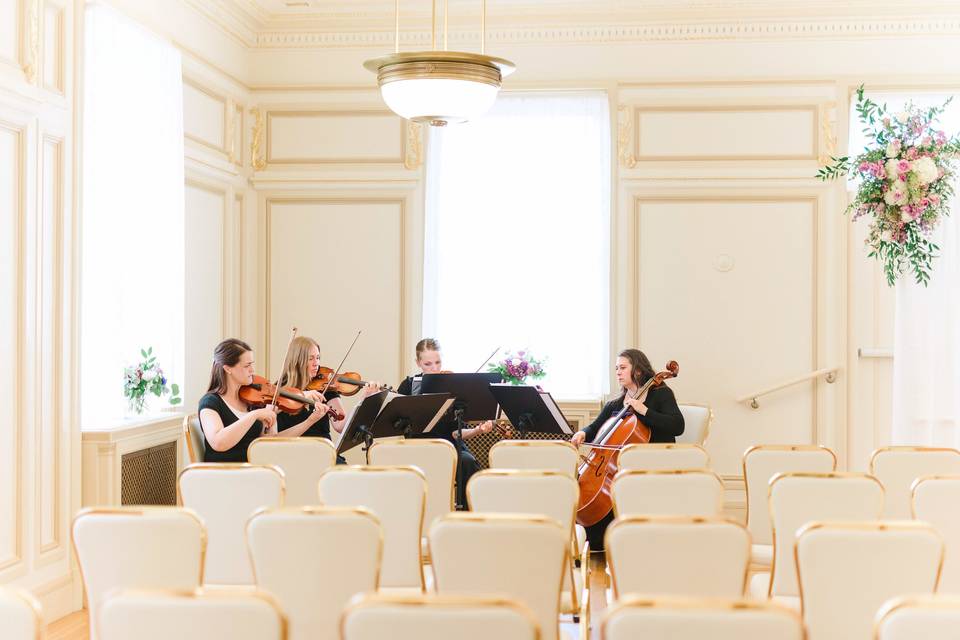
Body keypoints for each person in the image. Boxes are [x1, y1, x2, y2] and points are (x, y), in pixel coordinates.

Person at [571, 348, 684, 550]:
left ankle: (626, 541)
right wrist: (583, 433)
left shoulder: (661, 394)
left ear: (638, 370)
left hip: (652, 463)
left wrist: (644, 410)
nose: (618, 372)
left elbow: (678, 426)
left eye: (623, 367)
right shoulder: (617, 402)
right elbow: (595, 426)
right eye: (616, 368)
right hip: (620, 467)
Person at [397, 338, 496, 507]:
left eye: (438, 362)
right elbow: (398, 422)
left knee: (467, 461)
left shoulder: (452, 385)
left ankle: (469, 513)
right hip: (419, 447)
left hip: (450, 446)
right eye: (428, 364)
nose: (435, 368)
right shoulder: (408, 386)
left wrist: (478, 430)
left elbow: (456, 433)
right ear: (418, 362)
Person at [276, 335, 382, 462]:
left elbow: (341, 425)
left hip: (322, 452)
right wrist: (302, 395)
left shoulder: (326, 387)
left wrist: (363, 399)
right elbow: (269, 415)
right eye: (311, 359)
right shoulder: (279, 389)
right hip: (291, 454)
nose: (317, 363)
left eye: (318, 357)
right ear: (298, 360)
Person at [197, 338, 279, 463]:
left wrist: (271, 425)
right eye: (247, 365)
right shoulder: (210, 402)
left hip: (253, 469)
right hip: (225, 474)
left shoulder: (251, 401)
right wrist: (254, 415)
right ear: (228, 369)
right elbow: (218, 442)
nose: (252, 370)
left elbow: (262, 443)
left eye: (252, 364)